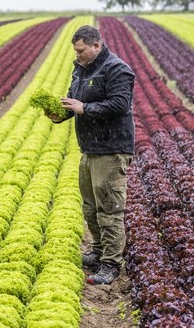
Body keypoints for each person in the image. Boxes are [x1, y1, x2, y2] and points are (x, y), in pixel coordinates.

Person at [45, 25, 135, 285]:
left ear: (96, 45)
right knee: (90, 207)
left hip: (111, 149)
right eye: (76, 50)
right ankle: (97, 251)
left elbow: (120, 104)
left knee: (109, 208)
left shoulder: (116, 69)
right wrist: (60, 114)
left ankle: (111, 263)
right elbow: (74, 102)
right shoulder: (81, 70)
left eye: (81, 50)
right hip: (90, 149)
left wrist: (85, 107)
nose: (78, 54)